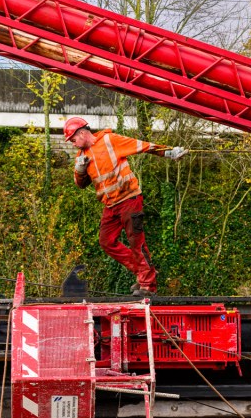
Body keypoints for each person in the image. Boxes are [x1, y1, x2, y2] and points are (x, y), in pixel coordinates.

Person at [63, 116, 186, 296]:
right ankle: (144, 272)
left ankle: (148, 285)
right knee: (106, 242)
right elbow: (80, 184)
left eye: (73, 140)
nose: (73, 144)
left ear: (82, 133)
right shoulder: (81, 156)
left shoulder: (109, 140)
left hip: (129, 199)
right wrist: (80, 171)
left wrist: (169, 152)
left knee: (136, 241)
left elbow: (142, 145)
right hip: (111, 205)